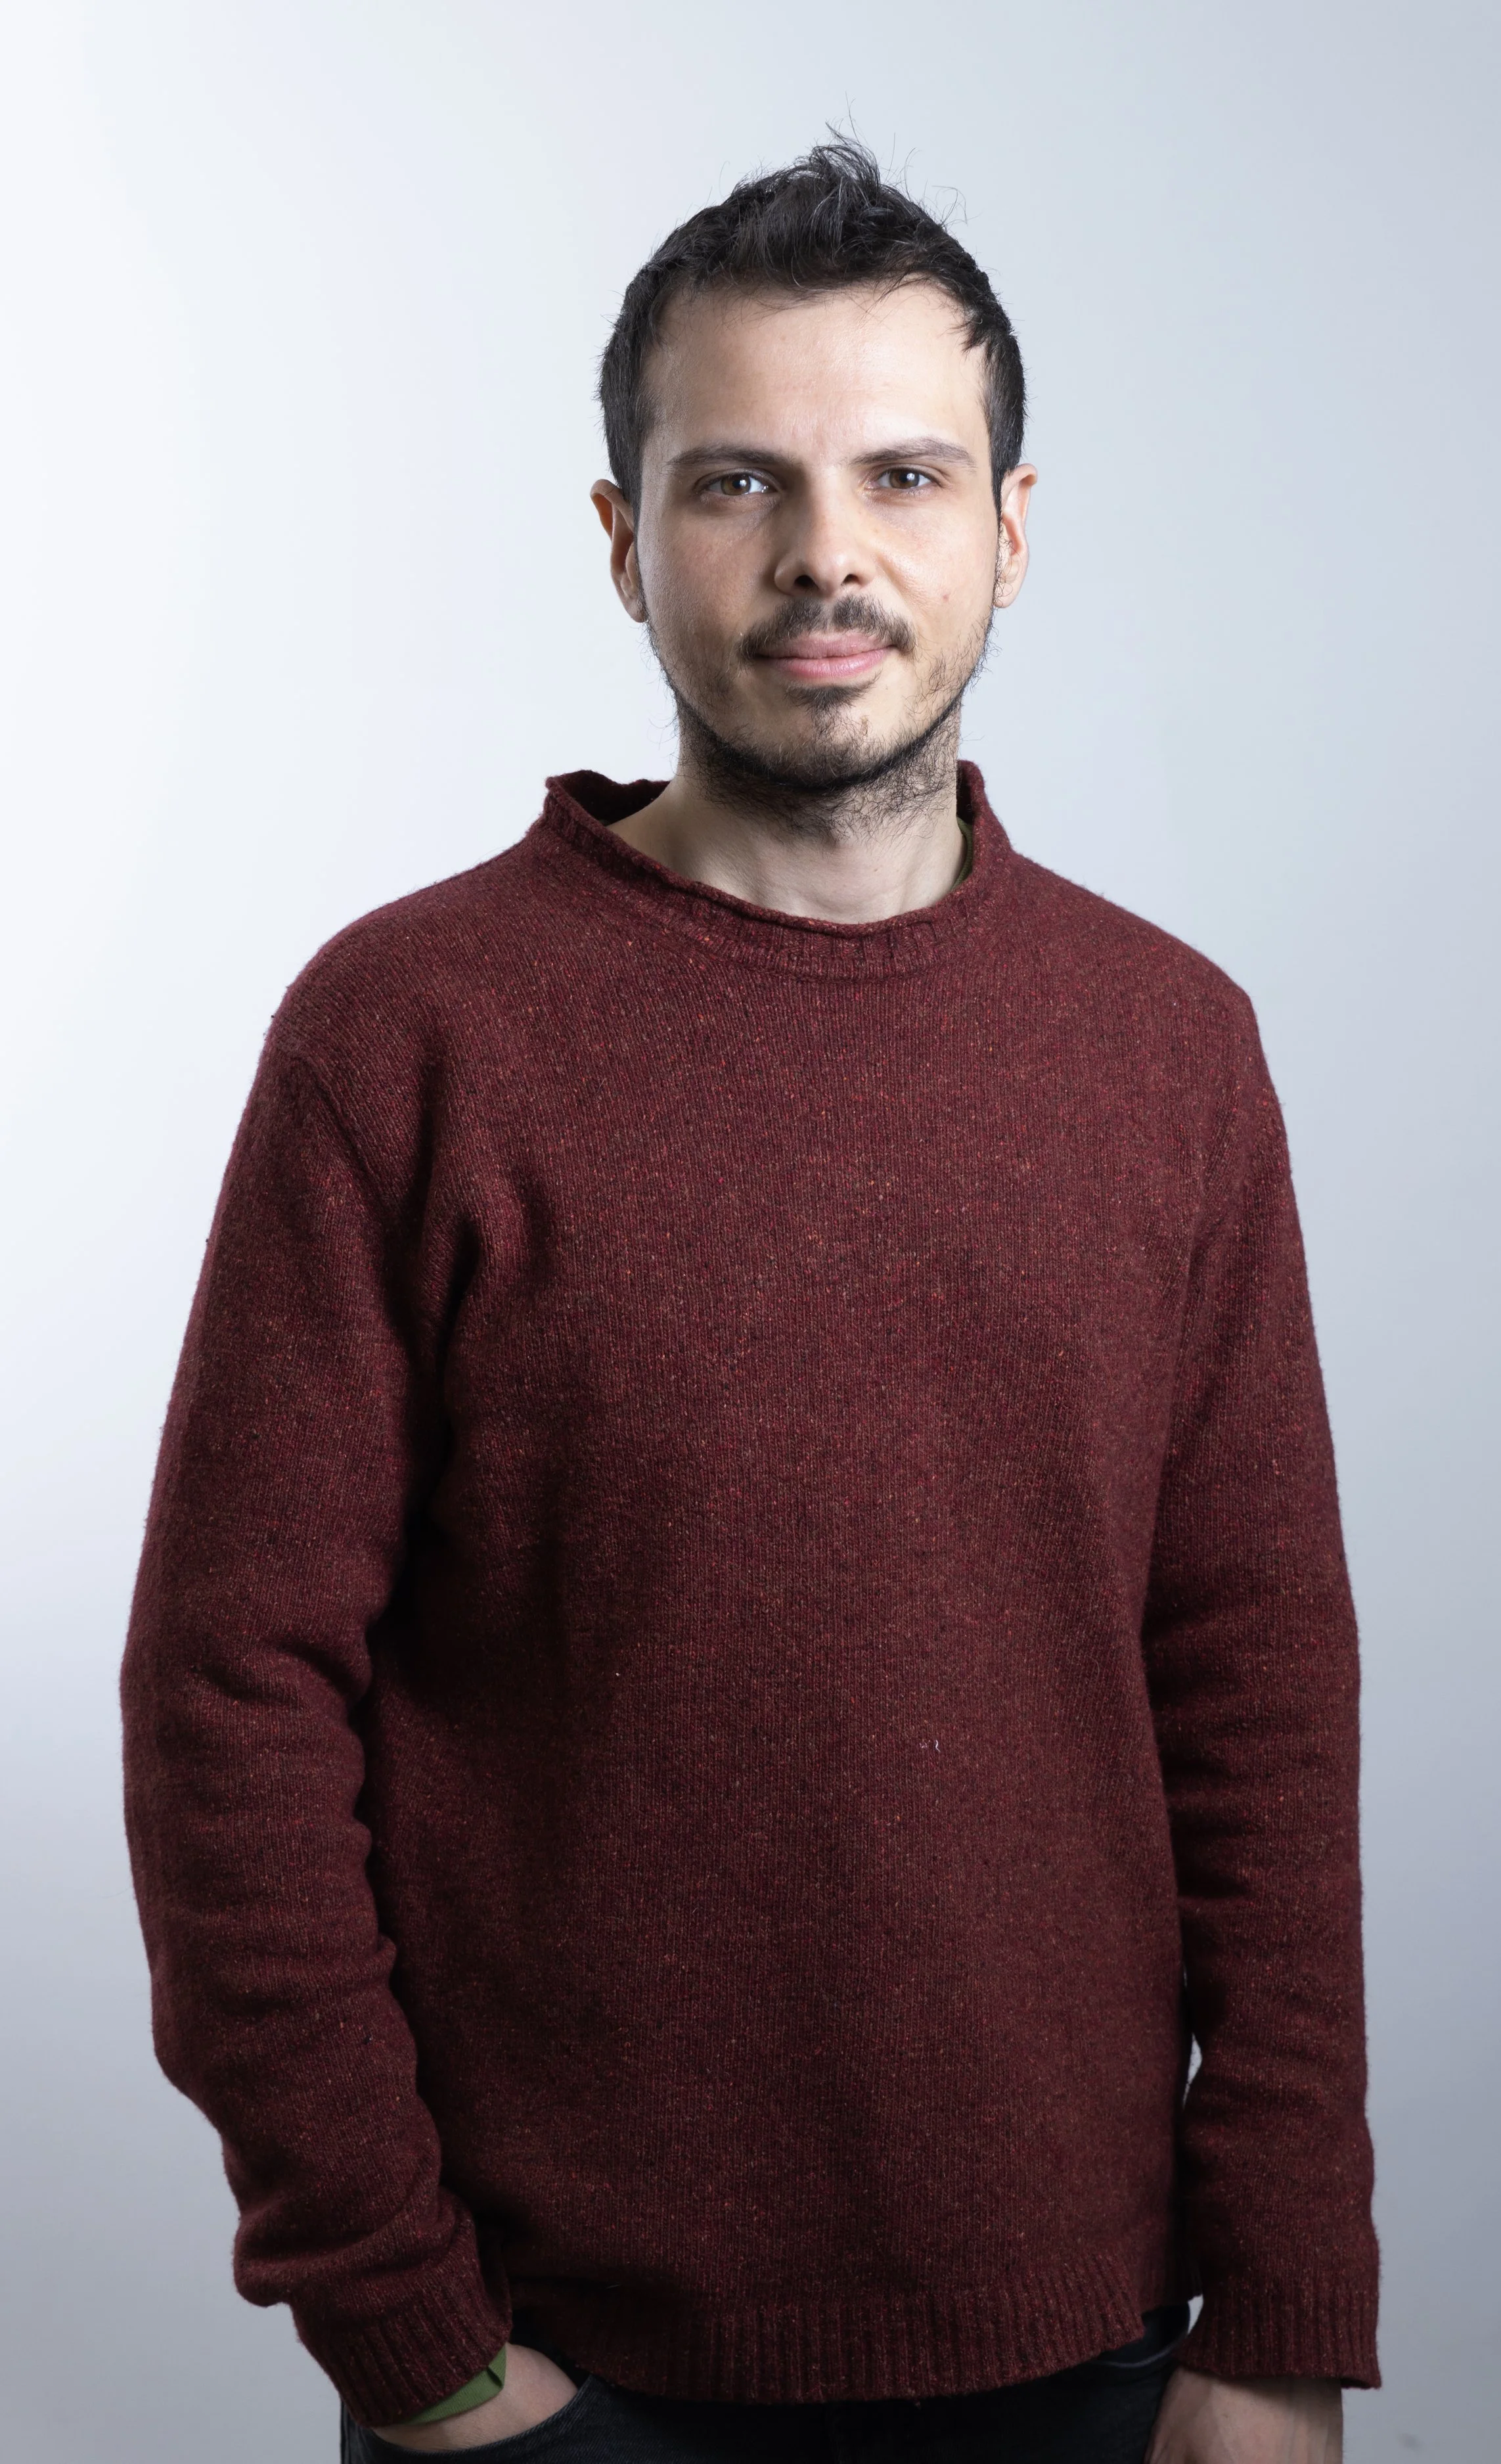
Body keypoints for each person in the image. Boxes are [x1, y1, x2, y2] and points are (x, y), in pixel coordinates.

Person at [122, 140, 1379, 2463]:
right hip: (559, 2371)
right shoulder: (406, 1035)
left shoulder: (1165, 1045)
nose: (827, 554)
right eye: (737, 481)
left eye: (902, 474)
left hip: (1097, 2344)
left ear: (1011, 524)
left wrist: (1280, 2306)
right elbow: (229, 1700)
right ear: (621, 538)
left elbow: (1262, 1692)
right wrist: (410, 2332)